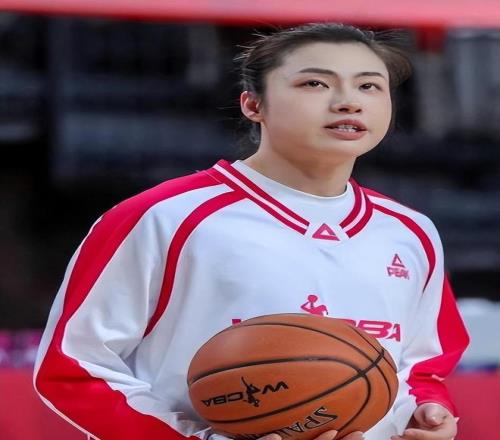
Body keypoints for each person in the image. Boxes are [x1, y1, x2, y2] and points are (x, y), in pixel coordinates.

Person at [34, 23, 469, 440]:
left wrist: (425, 410)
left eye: (369, 86)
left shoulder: (411, 231)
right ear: (253, 104)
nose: (348, 102)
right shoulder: (163, 216)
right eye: (315, 83)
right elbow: (74, 367)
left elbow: (422, 367)